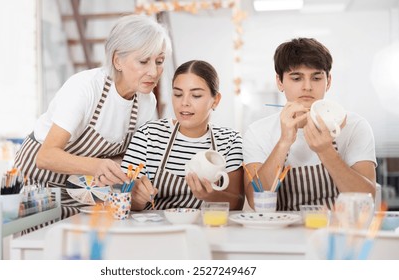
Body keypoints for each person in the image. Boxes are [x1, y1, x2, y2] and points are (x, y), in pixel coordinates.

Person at [13, 14, 172, 219]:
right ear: (118, 61)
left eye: (159, 61)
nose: (154, 71)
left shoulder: (146, 102)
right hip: (36, 186)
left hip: (82, 190)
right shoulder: (85, 87)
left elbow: (127, 159)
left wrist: (136, 182)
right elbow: (46, 156)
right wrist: (97, 165)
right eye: (143, 61)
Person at [243, 38, 377, 211]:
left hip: (336, 231)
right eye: (297, 78)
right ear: (280, 82)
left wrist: (326, 151)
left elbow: (366, 199)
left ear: (328, 81)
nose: (307, 87)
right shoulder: (257, 132)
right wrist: (284, 141)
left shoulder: (355, 126)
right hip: (282, 233)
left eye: (316, 77)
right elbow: (255, 201)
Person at [121, 60, 244, 211]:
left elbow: (237, 202)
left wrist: (210, 196)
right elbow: (121, 197)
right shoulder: (148, 135)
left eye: (196, 95)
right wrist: (137, 199)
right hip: (156, 230)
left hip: (209, 230)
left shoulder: (230, 141)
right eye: (178, 94)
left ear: (215, 100)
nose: (184, 103)